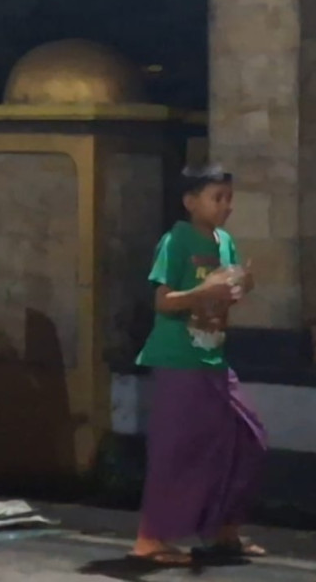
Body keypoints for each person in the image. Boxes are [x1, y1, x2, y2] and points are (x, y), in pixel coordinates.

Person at [129, 163, 268, 566]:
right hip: (178, 358)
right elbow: (163, 300)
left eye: (228, 198)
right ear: (191, 202)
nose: (226, 206)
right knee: (175, 450)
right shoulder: (176, 241)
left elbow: (228, 288)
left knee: (247, 439)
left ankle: (225, 530)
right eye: (217, 198)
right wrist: (203, 290)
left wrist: (240, 286)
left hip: (213, 357)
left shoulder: (225, 242)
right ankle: (149, 539)